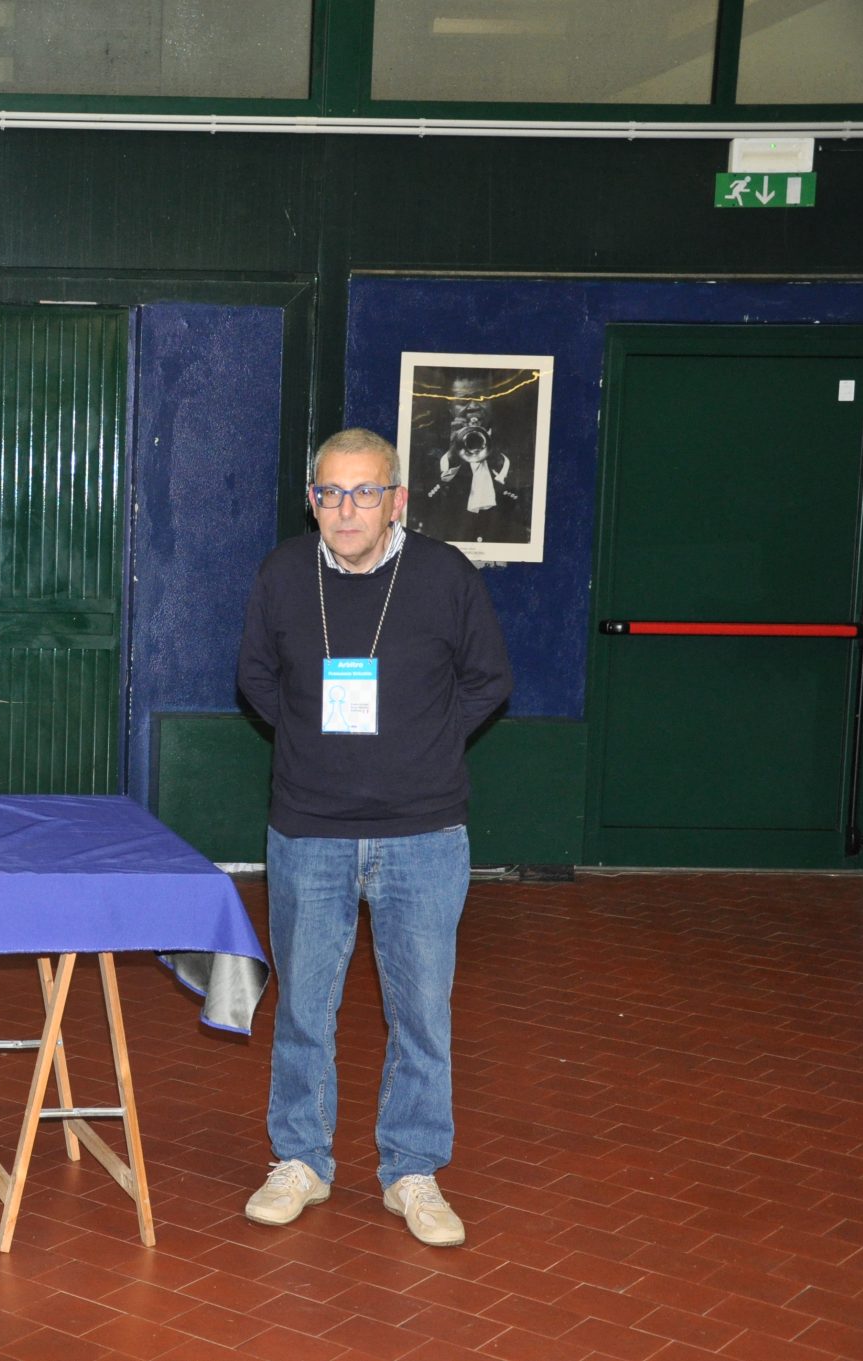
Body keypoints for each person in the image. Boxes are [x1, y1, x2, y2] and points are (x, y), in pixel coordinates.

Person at [234, 427, 511, 1248]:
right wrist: (310, 744)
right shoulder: (283, 573)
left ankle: (411, 1170)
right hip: (308, 830)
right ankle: (299, 1160)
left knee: (421, 1011)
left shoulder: (444, 576)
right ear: (311, 500)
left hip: (423, 833)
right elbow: (253, 676)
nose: (345, 508)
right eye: (329, 492)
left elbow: (489, 679)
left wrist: (423, 742)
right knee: (303, 1009)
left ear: (395, 499)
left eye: (362, 492)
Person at [414, 373, 528, 547]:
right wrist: (452, 457)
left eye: (482, 397)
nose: (473, 407)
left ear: (492, 403)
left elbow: (523, 506)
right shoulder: (426, 447)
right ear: (450, 406)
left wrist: (495, 456)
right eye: (463, 400)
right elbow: (423, 509)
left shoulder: (519, 445)